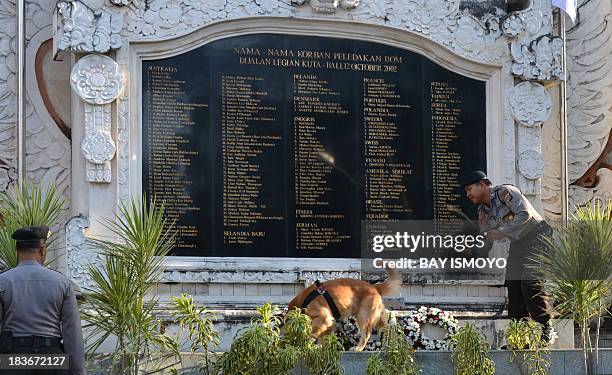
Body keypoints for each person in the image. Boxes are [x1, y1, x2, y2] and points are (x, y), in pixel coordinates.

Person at [460, 171, 554, 344]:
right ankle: (521, 336)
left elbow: (524, 214)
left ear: (482, 184)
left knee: (530, 281)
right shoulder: (483, 212)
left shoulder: (505, 192)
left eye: (469, 189)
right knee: (513, 286)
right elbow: (486, 239)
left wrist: (501, 231)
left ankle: (546, 327)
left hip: (538, 236)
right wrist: (468, 254)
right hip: (519, 243)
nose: (467, 194)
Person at [0, 226, 86, 374]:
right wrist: (78, 371)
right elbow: (72, 334)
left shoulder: (3, 281)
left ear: (17, 251)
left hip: (13, 358)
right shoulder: (62, 283)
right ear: (42, 250)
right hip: (53, 359)